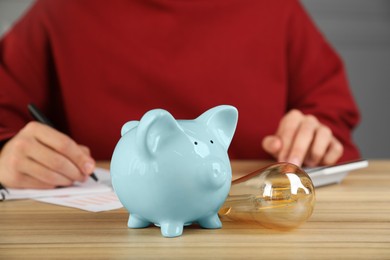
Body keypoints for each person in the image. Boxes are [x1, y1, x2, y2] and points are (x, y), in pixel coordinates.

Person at [0, 0, 361, 189]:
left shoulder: (275, 8)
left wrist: (317, 134)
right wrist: (7, 152)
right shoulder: (62, 9)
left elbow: (330, 117)